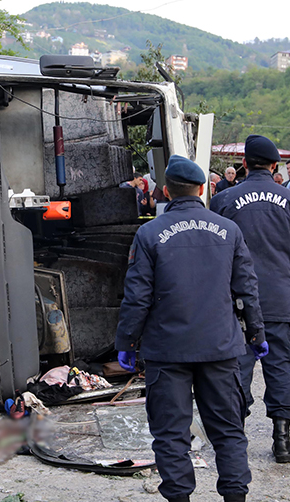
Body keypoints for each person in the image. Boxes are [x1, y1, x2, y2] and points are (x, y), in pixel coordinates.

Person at [116, 155, 265, 502]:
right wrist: (257, 334)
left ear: (166, 191)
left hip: (167, 350)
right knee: (228, 430)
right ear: (202, 188)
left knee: (171, 434)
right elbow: (247, 288)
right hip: (220, 346)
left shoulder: (149, 234)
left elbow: (137, 296)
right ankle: (234, 496)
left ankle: (180, 497)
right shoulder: (228, 230)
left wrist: (126, 342)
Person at [210, 134, 290, 464]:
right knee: (280, 368)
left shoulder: (225, 199)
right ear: (274, 165)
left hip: (237, 300)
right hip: (280, 298)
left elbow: (217, 247)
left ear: (243, 164)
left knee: (237, 369)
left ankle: (234, 441)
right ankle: (282, 442)